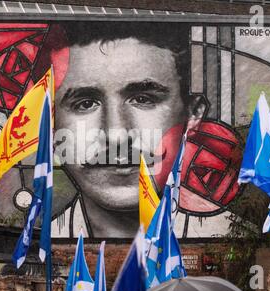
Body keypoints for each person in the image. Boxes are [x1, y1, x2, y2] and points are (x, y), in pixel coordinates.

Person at [53, 22, 204, 238]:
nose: (116, 135)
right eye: (85, 104)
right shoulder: (32, 251)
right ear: (50, 123)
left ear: (193, 114)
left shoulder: (246, 239)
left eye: (143, 99)